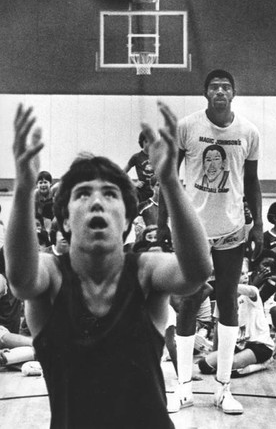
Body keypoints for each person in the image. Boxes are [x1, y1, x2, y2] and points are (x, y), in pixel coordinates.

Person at [4, 102, 212, 429]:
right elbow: (20, 280)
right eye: (83, 194)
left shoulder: (145, 272)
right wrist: (24, 188)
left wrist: (170, 181)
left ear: (128, 218)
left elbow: (197, 272)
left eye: (110, 194)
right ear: (65, 220)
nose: (97, 201)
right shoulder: (52, 277)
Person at [159, 69, 263, 415]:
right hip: (192, 231)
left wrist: (258, 225)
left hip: (232, 231)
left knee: (229, 302)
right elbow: (168, 176)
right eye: (214, 87)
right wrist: (163, 219)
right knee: (189, 304)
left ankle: (223, 389)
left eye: (226, 87)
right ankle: (183, 388)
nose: (220, 91)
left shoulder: (248, 132)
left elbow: (252, 181)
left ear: (234, 93)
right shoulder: (187, 127)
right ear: (206, 93)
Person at [198, 265, 273, 378]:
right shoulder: (222, 299)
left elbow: (247, 290)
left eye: (246, 273)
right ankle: (240, 360)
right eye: (240, 274)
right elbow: (217, 327)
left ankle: (263, 364)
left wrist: (226, 283)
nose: (245, 277)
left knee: (229, 368)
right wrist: (215, 352)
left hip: (260, 346)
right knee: (204, 365)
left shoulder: (253, 292)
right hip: (238, 345)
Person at [124, 130, 157, 212]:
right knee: (132, 209)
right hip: (141, 192)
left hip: (154, 192)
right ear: (143, 142)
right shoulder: (136, 157)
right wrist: (133, 183)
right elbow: (122, 173)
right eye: (149, 141)